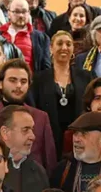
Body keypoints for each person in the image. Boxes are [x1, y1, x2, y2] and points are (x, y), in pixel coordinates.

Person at [0, 59, 58, 171]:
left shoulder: (41, 117)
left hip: (32, 183)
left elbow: (49, 160)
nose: (18, 85)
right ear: (0, 84)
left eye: (23, 81)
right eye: (13, 80)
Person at [32, 30, 94, 162]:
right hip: (49, 139)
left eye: (68, 44)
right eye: (59, 44)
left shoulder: (86, 77)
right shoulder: (39, 79)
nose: (64, 48)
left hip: (79, 138)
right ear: (51, 48)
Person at [0, 0, 51, 73]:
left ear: (29, 13)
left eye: (24, 12)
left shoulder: (41, 38)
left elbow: (46, 69)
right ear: (9, 14)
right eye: (17, 11)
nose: (21, 15)